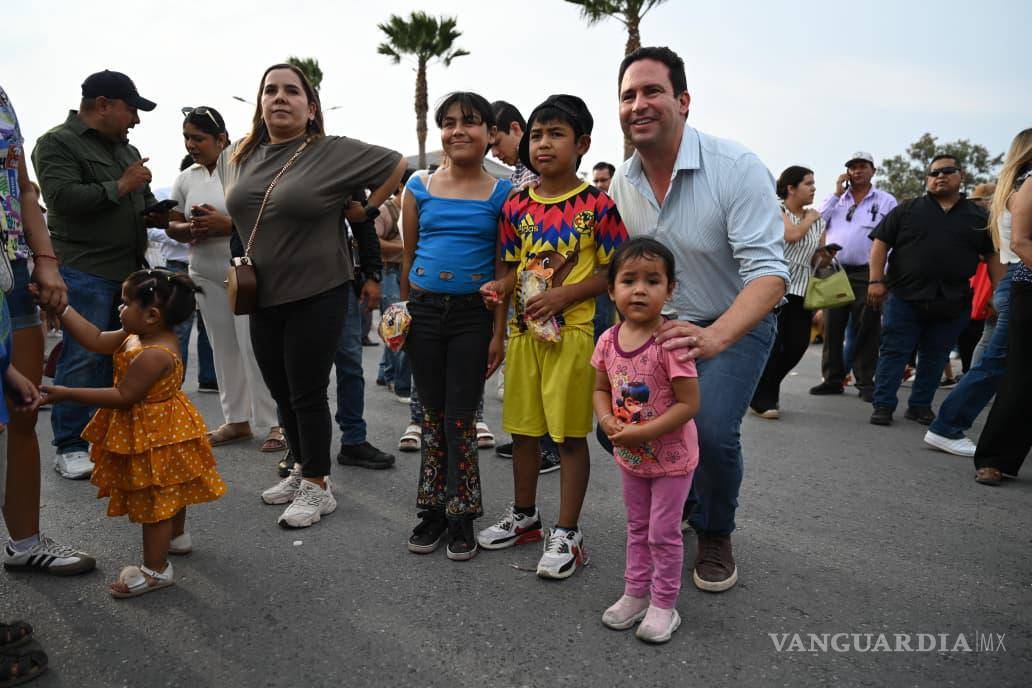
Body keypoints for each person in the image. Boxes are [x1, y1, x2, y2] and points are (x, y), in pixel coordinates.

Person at [608, 47, 788, 592]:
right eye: (628, 95)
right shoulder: (623, 182)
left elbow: (769, 276)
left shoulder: (736, 168)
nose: (638, 104)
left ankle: (714, 530)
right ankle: (680, 496)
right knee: (613, 425)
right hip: (661, 332)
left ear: (683, 101)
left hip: (735, 321)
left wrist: (713, 337)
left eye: (652, 91)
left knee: (709, 429)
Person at [219, 63, 405, 528]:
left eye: (292, 91)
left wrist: (369, 208)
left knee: (306, 391)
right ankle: (301, 468)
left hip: (318, 289)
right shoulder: (237, 156)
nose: (279, 98)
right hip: (262, 292)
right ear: (259, 102)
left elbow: (396, 162)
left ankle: (319, 485)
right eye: (270, 91)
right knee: (280, 389)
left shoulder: (330, 152)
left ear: (311, 105)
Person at [477, 94, 629, 579]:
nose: (544, 143)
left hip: (573, 337)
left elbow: (615, 273)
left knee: (567, 438)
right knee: (522, 431)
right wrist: (498, 330)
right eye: (538, 134)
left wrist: (566, 296)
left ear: (582, 143)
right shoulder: (516, 204)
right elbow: (508, 269)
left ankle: (568, 532)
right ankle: (525, 517)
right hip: (522, 336)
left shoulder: (598, 206)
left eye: (556, 134)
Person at [39, 269, 227, 597]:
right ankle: (176, 539)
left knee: (156, 500)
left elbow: (124, 396)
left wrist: (68, 393)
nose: (120, 309)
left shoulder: (153, 354)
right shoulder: (135, 335)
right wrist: (63, 310)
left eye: (126, 304)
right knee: (171, 489)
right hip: (166, 428)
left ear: (152, 315)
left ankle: (156, 570)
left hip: (156, 432)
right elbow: (96, 340)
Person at [31, 70, 169, 481]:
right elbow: (61, 199)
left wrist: (163, 215)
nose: (136, 121)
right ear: (104, 105)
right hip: (84, 269)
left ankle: (106, 440)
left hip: (129, 272)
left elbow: (141, 202)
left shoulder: (127, 150)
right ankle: (70, 445)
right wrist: (121, 186)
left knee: (122, 363)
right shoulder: (57, 142)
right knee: (83, 358)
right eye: (132, 110)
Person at [400, 93, 510, 559]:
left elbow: (505, 268)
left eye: (470, 122)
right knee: (430, 415)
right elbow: (408, 258)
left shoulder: (503, 194)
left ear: (489, 132)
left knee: (461, 418)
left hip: (472, 317)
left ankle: (462, 512)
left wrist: (498, 332)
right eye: (448, 122)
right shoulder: (417, 185)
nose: (458, 130)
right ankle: (431, 511)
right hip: (424, 313)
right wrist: (404, 313)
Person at [0, 85, 95, 575]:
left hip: (13, 273)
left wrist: (45, 261)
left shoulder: (2, 98)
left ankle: (26, 542)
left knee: (23, 407)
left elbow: (23, 187)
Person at [592, 238, 699, 644]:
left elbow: (689, 403)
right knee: (637, 527)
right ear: (611, 289)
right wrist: (605, 419)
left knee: (663, 533)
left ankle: (663, 605)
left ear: (670, 289)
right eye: (629, 280)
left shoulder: (672, 342)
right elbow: (601, 388)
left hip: (671, 459)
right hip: (631, 457)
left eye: (653, 281)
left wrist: (643, 432)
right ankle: (635, 594)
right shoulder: (607, 340)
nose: (639, 289)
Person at [166, 106, 283, 453]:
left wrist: (227, 225)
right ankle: (237, 420)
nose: (191, 144)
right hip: (204, 273)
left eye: (198, 138)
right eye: (186, 137)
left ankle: (276, 422)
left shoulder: (245, 169)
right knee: (223, 349)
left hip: (244, 274)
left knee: (255, 347)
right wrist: (189, 229)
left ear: (222, 139)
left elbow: (270, 215)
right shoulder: (187, 178)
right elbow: (172, 225)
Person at [867, 155, 1002, 426]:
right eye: (933, 173)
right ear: (927, 179)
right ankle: (883, 405)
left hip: (952, 300)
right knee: (894, 351)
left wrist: (998, 295)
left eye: (947, 171)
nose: (940, 176)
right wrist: (875, 281)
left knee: (935, 354)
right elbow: (880, 244)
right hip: (904, 296)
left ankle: (920, 406)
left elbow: (992, 258)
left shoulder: (978, 216)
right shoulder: (907, 209)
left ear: (961, 175)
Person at [924, 135, 1031, 456]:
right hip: (1020, 278)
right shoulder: (1025, 185)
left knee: (996, 362)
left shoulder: (1011, 187)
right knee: (993, 364)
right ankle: (946, 425)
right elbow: (1020, 243)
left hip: (1014, 279)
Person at [487, 100, 561, 473]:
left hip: (547, 291)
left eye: (496, 139)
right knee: (527, 380)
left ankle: (548, 447)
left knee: (547, 377)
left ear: (516, 129)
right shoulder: (516, 176)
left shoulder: (534, 177)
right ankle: (531, 441)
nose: (494, 150)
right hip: (522, 293)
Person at [810, 152, 897, 402]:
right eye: (853, 168)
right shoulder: (837, 200)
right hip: (835, 270)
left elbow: (893, 239)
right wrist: (837, 192)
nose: (857, 171)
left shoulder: (886, 200)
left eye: (862, 167)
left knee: (866, 327)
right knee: (832, 326)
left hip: (867, 272)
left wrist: (882, 277)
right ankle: (832, 379)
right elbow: (817, 221)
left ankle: (864, 380)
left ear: (873, 171)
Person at [971, 141, 1032, 484]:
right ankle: (994, 457)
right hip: (1028, 286)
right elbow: (1022, 242)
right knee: (1020, 376)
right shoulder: (1031, 183)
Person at [750, 166, 827, 418]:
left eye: (814, 183)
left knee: (797, 345)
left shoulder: (818, 220)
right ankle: (764, 398)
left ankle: (765, 388)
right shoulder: (777, 209)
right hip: (774, 284)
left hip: (803, 288)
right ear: (791, 188)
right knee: (773, 344)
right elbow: (791, 235)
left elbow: (817, 256)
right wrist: (809, 219)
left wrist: (826, 256)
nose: (813, 188)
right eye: (808, 183)